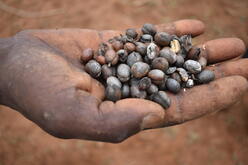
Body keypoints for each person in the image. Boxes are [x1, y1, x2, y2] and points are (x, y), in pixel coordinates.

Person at [0, 19, 247, 143]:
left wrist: (8, 56)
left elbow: (156, 64)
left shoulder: (149, 63)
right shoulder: (123, 69)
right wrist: (8, 60)